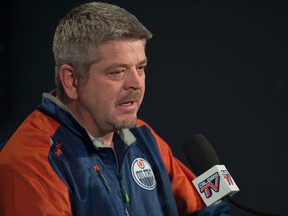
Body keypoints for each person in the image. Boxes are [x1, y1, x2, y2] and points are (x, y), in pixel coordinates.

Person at [0, 2, 229, 215]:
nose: (136, 83)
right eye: (117, 71)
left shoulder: (143, 136)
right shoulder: (30, 161)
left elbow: (203, 207)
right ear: (72, 81)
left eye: (141, 67)